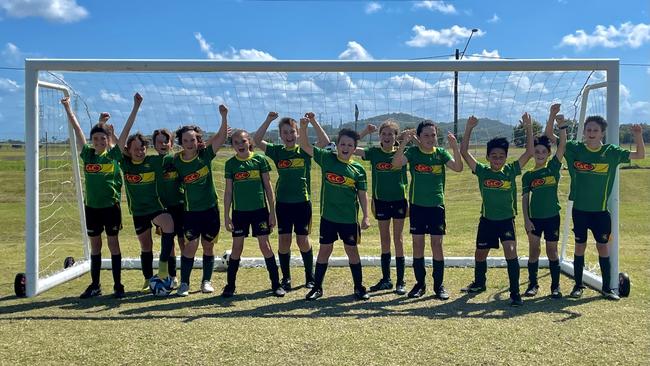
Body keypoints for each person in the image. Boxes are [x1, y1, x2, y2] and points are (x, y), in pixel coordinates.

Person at [560, 115, 645, 300]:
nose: (591, 133)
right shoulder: (576, 149)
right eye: (588, 130)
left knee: (602, 248)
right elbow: (554, 139)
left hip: (600, 213)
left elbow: (639, 155)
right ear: (584, 131)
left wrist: (638, 135)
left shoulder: (611, 152)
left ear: (602, 133)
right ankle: (578, 285)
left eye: (595, 130)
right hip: (580, 211)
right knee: (579, 247)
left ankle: (607, 288)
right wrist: (558, 124)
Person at [460, 114, 533, 306]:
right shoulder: (482, 171)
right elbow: (464, 152)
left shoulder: (511, 170)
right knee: (480, 254)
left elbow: (530, 151)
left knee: (510, 249)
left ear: (506, 157)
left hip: (506, 220)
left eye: (501, 156)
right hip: (487, 220)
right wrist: (469, 128)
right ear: (488, 157)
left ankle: (515, 293)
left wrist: (528, 128)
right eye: (494, 156)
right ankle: (479, 283)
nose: (498, 159)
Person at [252, 111, 330, 291]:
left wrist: (313, 122)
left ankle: (309, 277)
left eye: (292, 132)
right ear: (280, 135)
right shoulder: (277, 151)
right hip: (283, 203)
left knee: (303, 240)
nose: (289, 136)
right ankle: (286, 278)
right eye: (285, 132)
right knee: (284, 240)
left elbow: (325, 142)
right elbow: (256, 140)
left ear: (297, 133)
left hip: (302, 202)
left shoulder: (305, 150)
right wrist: (268, 119)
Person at [298, 115, 371, 301]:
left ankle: (359, 287)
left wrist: (366, 216)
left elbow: (363, 195)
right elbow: (306, 146)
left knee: (352, 251)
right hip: (328, 217)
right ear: (337, 145)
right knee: (324, 251)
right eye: (342, 144)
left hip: (348, 219)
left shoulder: (358, 170)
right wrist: (304, 127)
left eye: (350, 145)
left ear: (355, 148)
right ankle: (317, 287)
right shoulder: (326, 159)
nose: (345, 148)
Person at [61, 97, 125, 299]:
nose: (99, 142)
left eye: (103, 139)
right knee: (95, 245)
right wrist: (68, 108)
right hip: (92, 208)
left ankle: (117, 285)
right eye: (96, 139)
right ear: (92, 141)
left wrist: (107, 125)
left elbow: (119, 141)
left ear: (108, 140)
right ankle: (95, 285)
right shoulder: (88, 156)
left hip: (111, 208)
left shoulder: (113, 156)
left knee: (113, 244)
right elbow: (78, 130)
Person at [391, 121, 463, 299]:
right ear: (419, 137)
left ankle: (439, 286)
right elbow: (396, 164)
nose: (430, 138)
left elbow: (458, 167)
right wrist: (404, 143)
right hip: (417, 206)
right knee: (418, 245)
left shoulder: (440, 154)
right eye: (426, 135)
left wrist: (455, 147)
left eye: (433, 135)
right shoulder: (413, 152)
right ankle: (420, 284)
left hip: (436, 206)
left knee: (437, 245)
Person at [113, 93, 176, 294]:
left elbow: (182, 154)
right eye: (136, 149)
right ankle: (149, 279)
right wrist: (135, 107)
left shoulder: (154, 161)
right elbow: (121, 139)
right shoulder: (125, 163)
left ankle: (166, 269)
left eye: (143, 148)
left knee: (168, 224)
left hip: (155, 207)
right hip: (138, 211)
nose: (140, 151)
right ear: (128, 150)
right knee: (146, 246)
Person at [172, 104, 229, 296]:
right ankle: (185, 283)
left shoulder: (205, 156)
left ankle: (206, 281)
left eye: (193, 140)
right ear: (181, 142)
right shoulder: (176, 161)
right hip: (191, 211)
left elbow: (221, 138)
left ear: (198, 141)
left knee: (208, 245)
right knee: (191, 246)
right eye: (186, 140)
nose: (189, 143)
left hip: (210, 209)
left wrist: (224, 116)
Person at [222, 129, 285, 297]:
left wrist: (272, 212)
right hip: (239, 213)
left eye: (243, 141)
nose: (240, 145)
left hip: (259, 211)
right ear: (232, 145)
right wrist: (226, 216)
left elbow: (268, 188)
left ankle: (276, 284)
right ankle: (230, 286)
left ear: (249, 141)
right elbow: (228, 192)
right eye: (236, 142)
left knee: (265, 246)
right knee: (237, 248)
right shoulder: (230, 164)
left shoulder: (260, 160)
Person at [353, 120, 409, 295]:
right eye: (383, 134)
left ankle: (401, 281)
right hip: (381, 201)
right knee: (384, 239)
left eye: (390, 134)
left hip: (399, 200)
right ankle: (386, 279)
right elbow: (351, 148)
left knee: (398, 239)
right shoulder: (374, 153)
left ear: (395, 137)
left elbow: (422, 149)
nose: (387, 137)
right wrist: (364, 132)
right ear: (379, 136)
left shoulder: (403, 154)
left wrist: (409, 138)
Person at [521, 104, 567, 298]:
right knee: (534, 251)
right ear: (533, 153)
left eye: (543, 152)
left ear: (548, 153)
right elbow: (525, 199)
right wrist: (526, 219)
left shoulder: (554, 167)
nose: (540, 154)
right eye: (537, 151)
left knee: (552, 251)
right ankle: (533, 285)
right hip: (534, 219)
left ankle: (555, 287)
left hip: (552, 217)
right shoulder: (528, 175)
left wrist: (555, 119)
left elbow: (562, 144)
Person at [152, 128, 184, 288]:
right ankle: (173, 276)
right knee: (169, 243)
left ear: (171, 143)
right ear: (154, 144)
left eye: (166, 141)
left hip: (181, 206)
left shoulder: (177, 159)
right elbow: (126, 151)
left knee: (183, 240)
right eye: (159, 141)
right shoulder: (151, 161)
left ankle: (186, 277)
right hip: (164, 210)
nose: (163, 144)